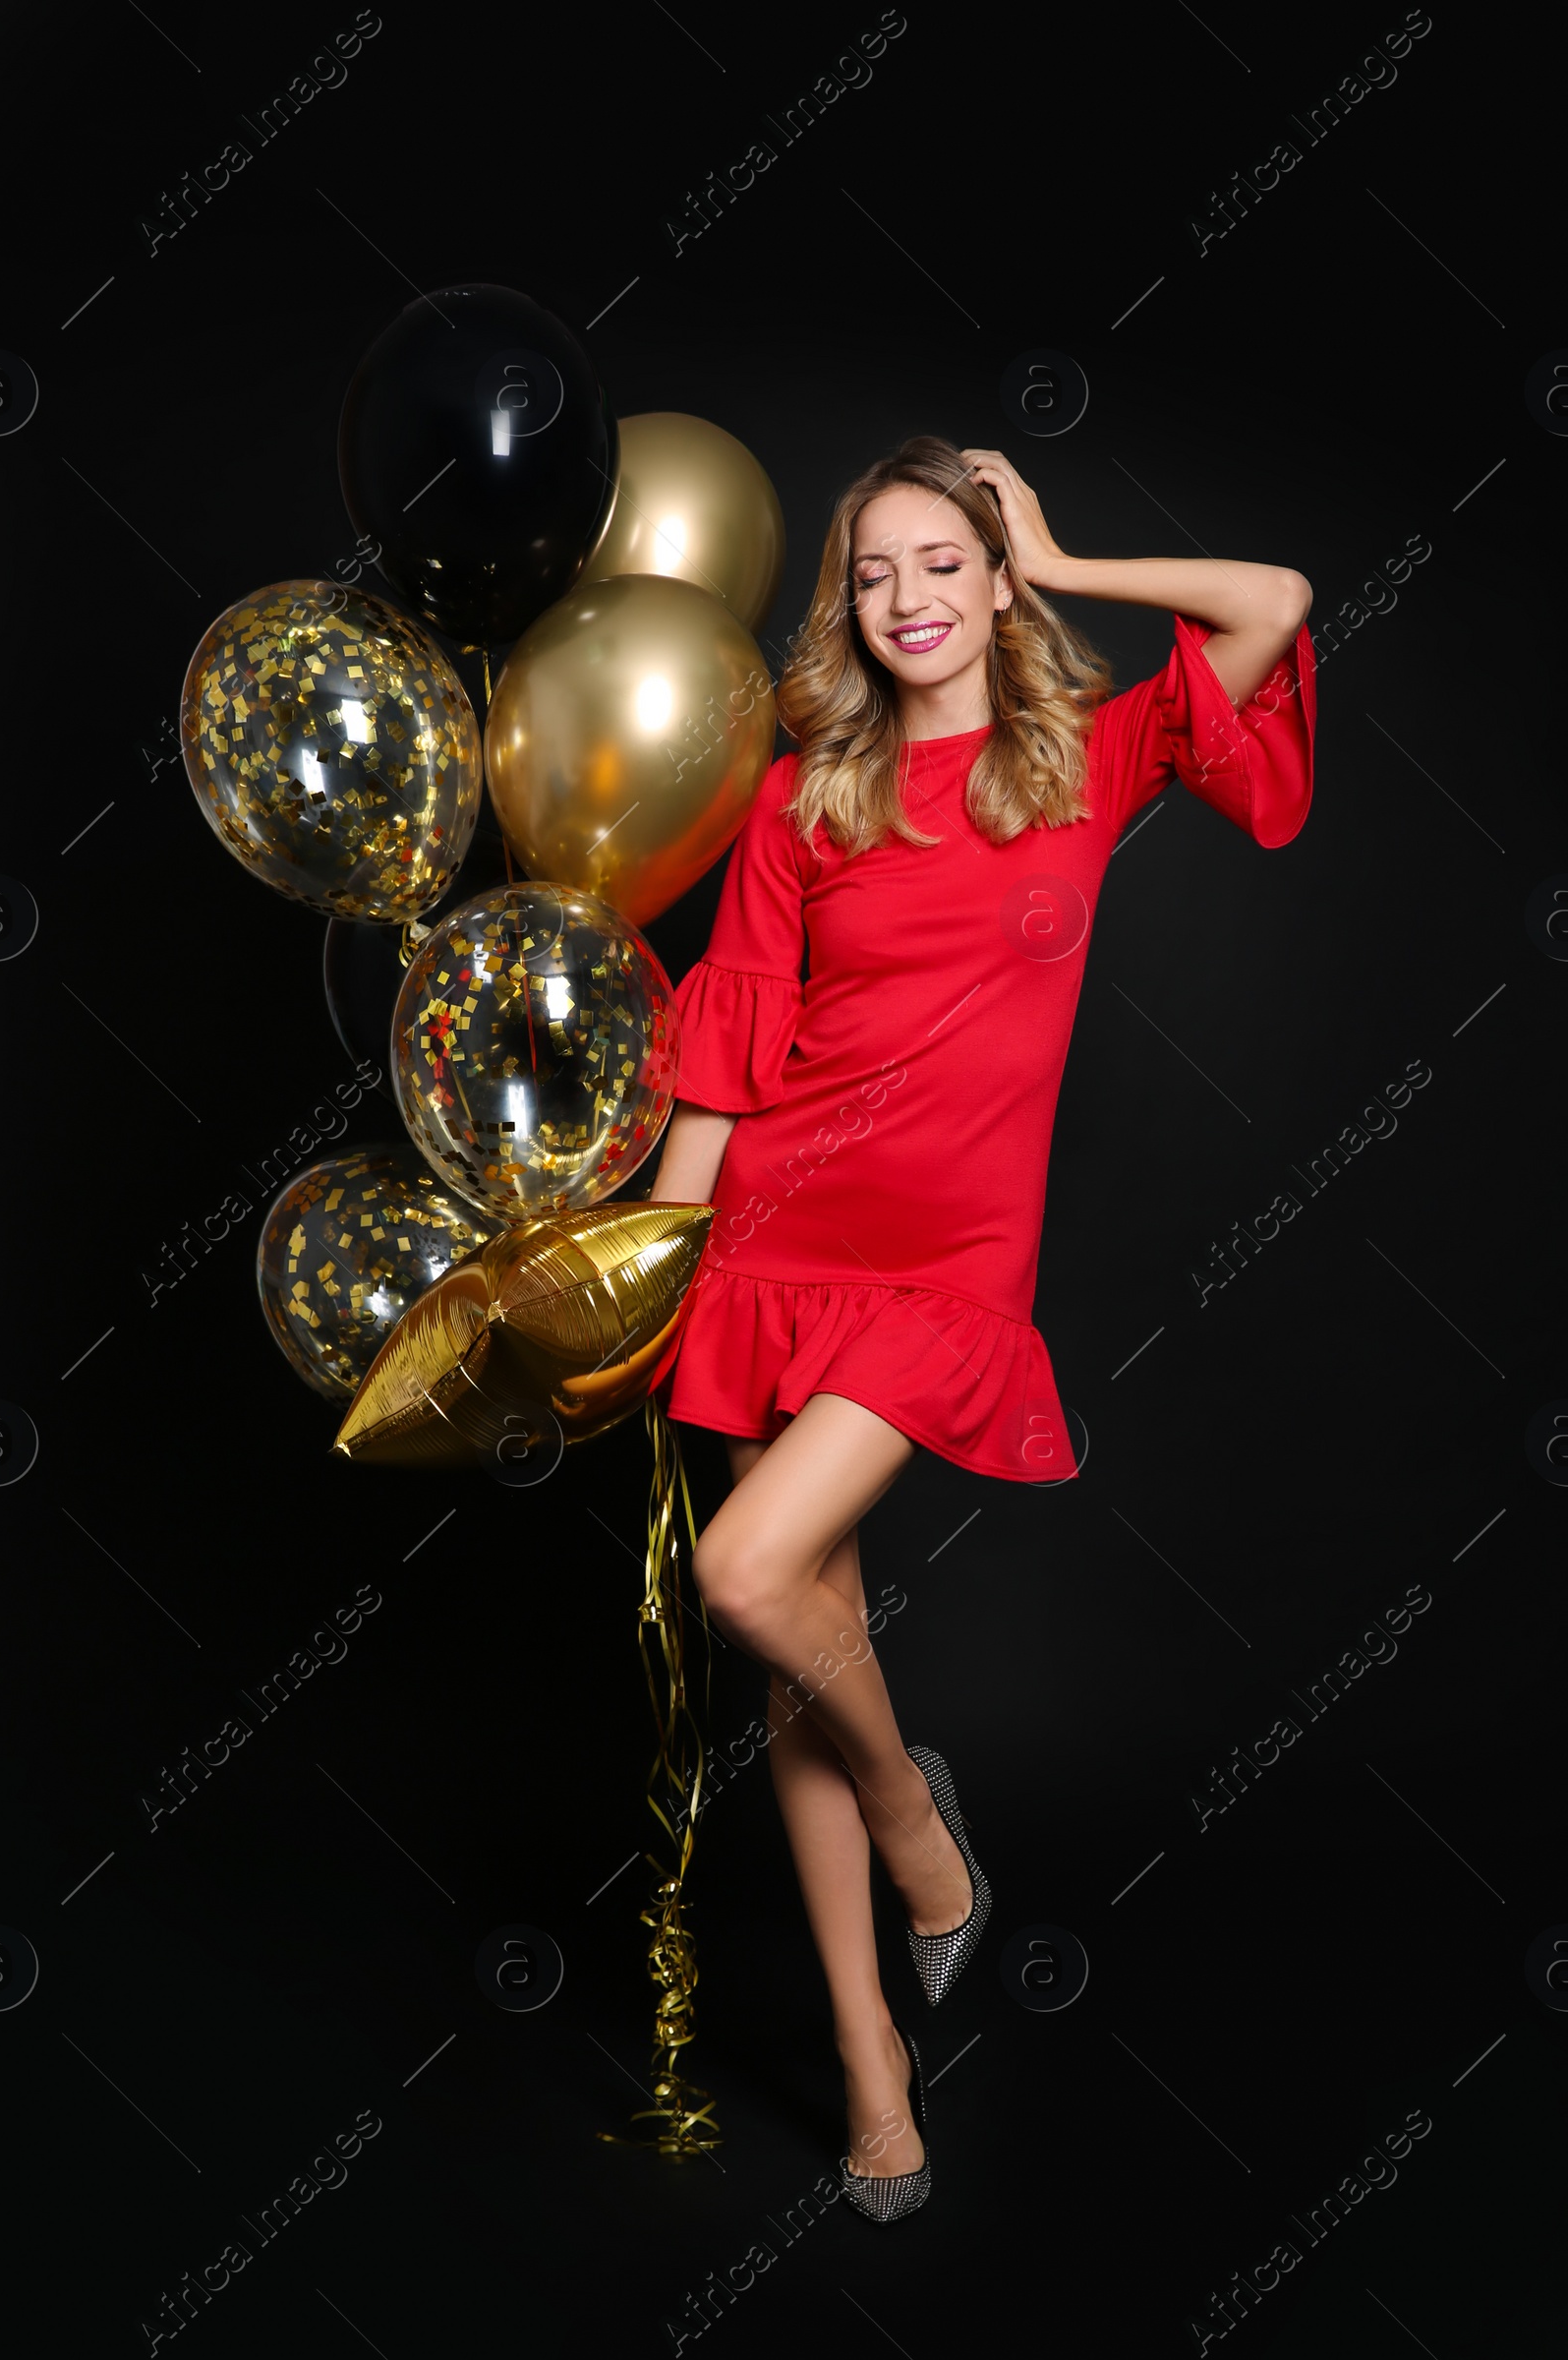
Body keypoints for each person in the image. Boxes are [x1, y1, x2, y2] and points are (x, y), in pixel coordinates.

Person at [649, 434, 1314, 2219]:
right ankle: (874, 2055)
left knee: (744, 1575)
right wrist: (643, 1273)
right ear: (845, 610)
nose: (909, 598)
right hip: (767, 1250)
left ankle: (920, 1832)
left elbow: (1275, 605)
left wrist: (1073, 554)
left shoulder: (1086, 764)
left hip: (944, 1268)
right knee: (790, 1646)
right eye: (876, 573)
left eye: (945, 559)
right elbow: (723, 1053)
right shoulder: (802, 801)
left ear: (996, 576)